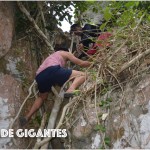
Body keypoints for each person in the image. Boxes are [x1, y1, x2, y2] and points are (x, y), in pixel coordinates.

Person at [19, 48, 91, 126]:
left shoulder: (52, 57)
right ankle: (71, 89)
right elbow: (82, 63)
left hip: (40, 76)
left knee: (42, 97)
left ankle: (27, 116)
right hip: (53, 70)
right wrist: (94, 63)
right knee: (84, 75)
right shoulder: (65, 53)